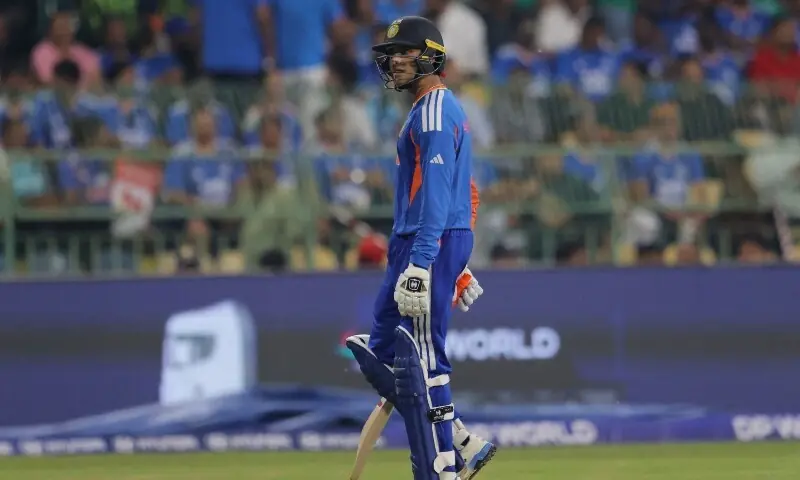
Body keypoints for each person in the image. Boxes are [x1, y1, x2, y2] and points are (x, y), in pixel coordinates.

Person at [344, 16, 495, 480]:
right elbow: (463, 189)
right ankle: (462, 440)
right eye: (390, 55)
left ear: (429, 56)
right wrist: (456, 263)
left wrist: (430, 260)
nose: (392, 62)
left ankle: (441, 470)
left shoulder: (434, 110)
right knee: (378, 350)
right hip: (418, 240)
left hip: (424, 241)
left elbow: (440, 192)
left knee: (424, 357)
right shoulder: (426, 110)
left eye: (402, 53)